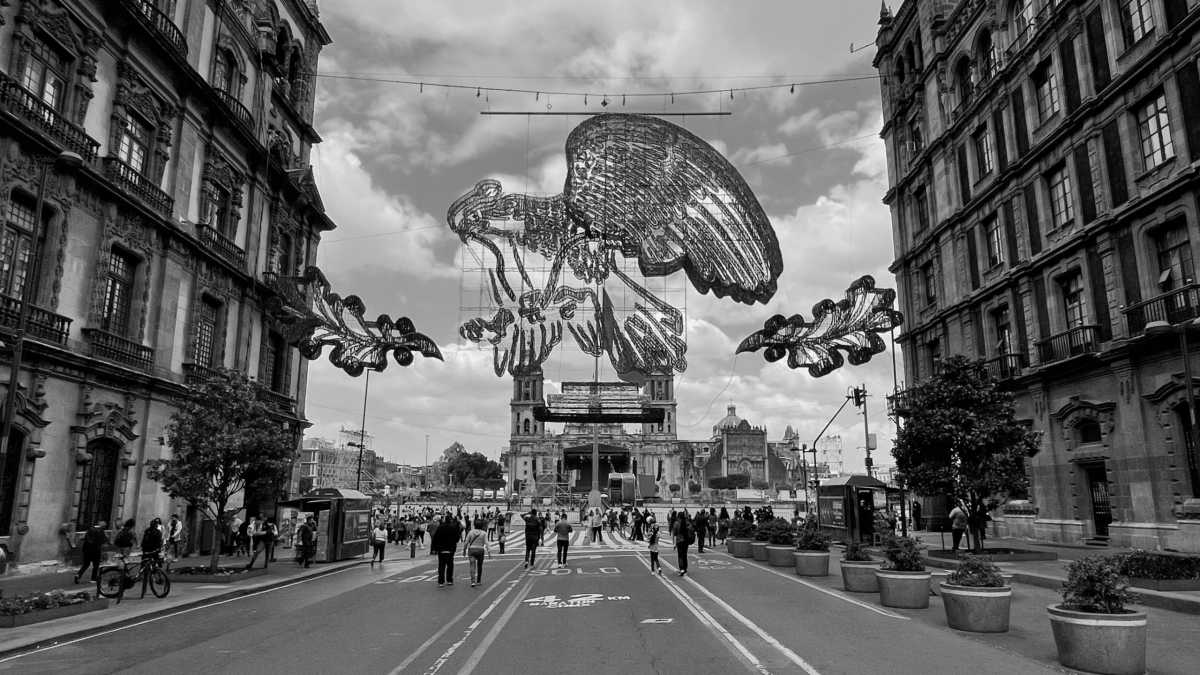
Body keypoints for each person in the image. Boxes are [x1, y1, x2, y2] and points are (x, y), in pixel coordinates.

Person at [431, 513, 461, 587]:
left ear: (444, 520)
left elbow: (435, 538)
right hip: (450, 548)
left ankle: (441, 581)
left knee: (441, 565)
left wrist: (434, 548)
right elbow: (457, 538)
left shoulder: (440, 527)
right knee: (450, 565)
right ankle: (449, 580)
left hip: (441, 548)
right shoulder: (453, 528)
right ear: (450, 520)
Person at [463, 519, 490, 587]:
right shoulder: (484, 533)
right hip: (480, 550)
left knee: (472, 565)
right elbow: (487, 543)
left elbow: (466, 542)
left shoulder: (470, 532)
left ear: (474, 525)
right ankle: (478, 581)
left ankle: (473, 581)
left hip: (472, 550)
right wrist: (489, 552)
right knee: (479, 566)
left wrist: (464, 550)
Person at [672, 510, 693, 576]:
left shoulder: (676, 523)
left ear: (678, 516)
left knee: (680, 555)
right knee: (685, 555)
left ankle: (681, 569)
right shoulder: (687, 522)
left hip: (679, 540)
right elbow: (691, 529)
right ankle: (685, 568)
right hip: (686, 540)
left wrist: (674, 543)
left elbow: (674, 533)